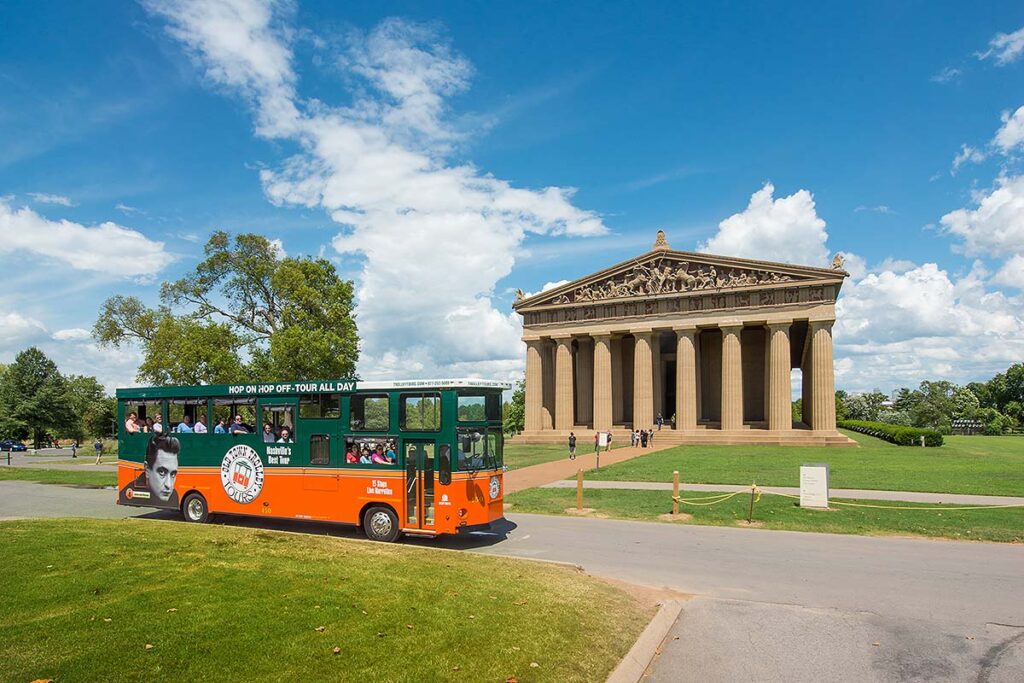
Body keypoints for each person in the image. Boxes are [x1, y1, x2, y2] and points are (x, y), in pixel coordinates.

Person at [119, 434, 180, 507]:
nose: (169, 485)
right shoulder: (126, 493)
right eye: (162, 472)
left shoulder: (174, 496)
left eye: (173, 474)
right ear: (147, 469)